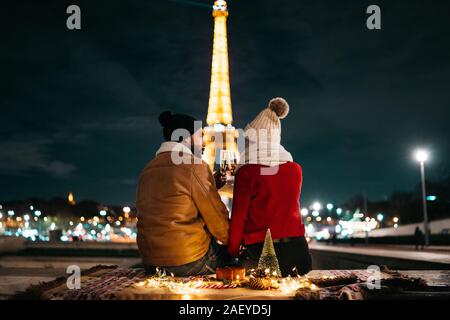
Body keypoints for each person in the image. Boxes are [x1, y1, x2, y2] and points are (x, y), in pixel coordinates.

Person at [136, 111, 231, 276]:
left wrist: (210, 185)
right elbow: (218, 222)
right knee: (236, 259)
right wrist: (237, 244)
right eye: (201, 136)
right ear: (187, 136)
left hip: (151, 262)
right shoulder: (195, 166)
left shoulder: (147, 169)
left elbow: (174, 200)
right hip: (187, 260)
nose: (204, 143)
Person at [227, 97, 312, 276]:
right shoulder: (295, 169)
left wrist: (232, 253)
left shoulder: (247, 173)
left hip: (260, 251)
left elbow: (238, 219)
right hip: (298, 250)